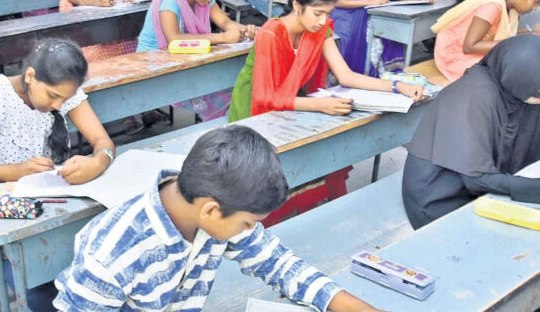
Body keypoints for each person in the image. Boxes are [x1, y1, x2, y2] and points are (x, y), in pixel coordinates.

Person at [54, 125, 386, 312]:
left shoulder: (218, 204)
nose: (251, 231)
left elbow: (279, 265)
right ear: (211, 210)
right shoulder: (111, 257)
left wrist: (356, 308)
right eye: (247, 223)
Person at [403, 35, 540, 312]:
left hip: (484, 182)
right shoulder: (470, 98)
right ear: (517, 77)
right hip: (443, 198)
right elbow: (478, 179)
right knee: (529, 258)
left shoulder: (515, 87)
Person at [0, 38, 115, 311]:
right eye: (52, 96)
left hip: (49, 192)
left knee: (98, 263)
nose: (58, 105)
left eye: (65, 99)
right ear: (30, 76)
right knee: (41, 291)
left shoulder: (64, 91)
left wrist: (98, 162)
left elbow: (102, 141)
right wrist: (17, 171)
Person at [230, 0, 423, 121]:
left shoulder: (318, 30)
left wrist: (397, 86)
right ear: (297, 5)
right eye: (317, 13)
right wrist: (319, 105)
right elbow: (265, 98)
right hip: (252, 110)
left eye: (328, 14)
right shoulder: (271, 33)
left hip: (291, 103)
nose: (323, 21)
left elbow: (345, 75)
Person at [137, 0, 257, 121]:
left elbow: (225, 22)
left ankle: (223, 124)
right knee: (225, 93)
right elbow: (175, 40)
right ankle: (221, 126)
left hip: (184, 60)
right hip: (153, 63)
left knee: (236, 86)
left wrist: (248, 30)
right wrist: (223, 37)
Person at [432, 0, 540, 83]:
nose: (535, 8)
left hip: (475, 51)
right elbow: (470, 46)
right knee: (519, 71)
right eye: (536, 2)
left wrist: (531, 35)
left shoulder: (510, 8)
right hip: (456, 58)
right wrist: (519, 42)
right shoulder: (492, 6)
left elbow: (503, 37)